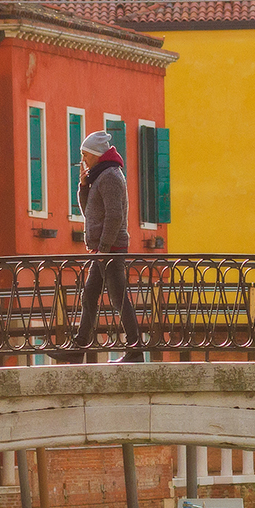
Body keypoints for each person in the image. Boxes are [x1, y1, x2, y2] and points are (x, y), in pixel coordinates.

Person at [69, 129, 144, 362]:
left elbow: (114, 217)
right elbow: (90, 213)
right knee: (90, 295)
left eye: (85, 155)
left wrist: (103, 248)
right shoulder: (100, 176)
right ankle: (78, 349)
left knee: (117, 297)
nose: (83, 160)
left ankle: (135, 350)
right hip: (104, 249)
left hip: (110, 249)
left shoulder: (110, 176)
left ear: (96, 154)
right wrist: (83, 187)